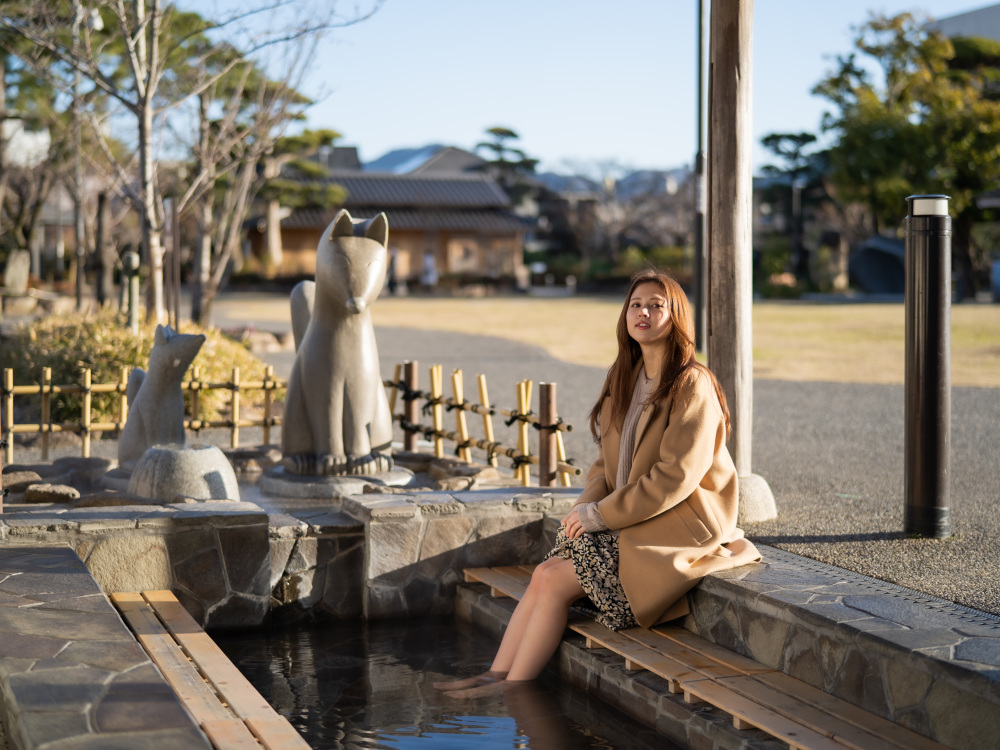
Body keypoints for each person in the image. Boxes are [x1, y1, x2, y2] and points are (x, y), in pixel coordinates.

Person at [436, 268, 761, 696]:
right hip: (629, 522)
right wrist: (583, 509)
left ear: (676, 317)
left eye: (656, 305)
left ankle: (513, 689)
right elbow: (603, 467)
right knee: (545, 572)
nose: (643, 312)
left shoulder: (691, 384)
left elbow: (675, 478)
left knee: (553, 580)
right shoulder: (624, 377)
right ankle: (495, 673)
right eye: (635, 304)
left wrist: (600, 515)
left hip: (674, 529)